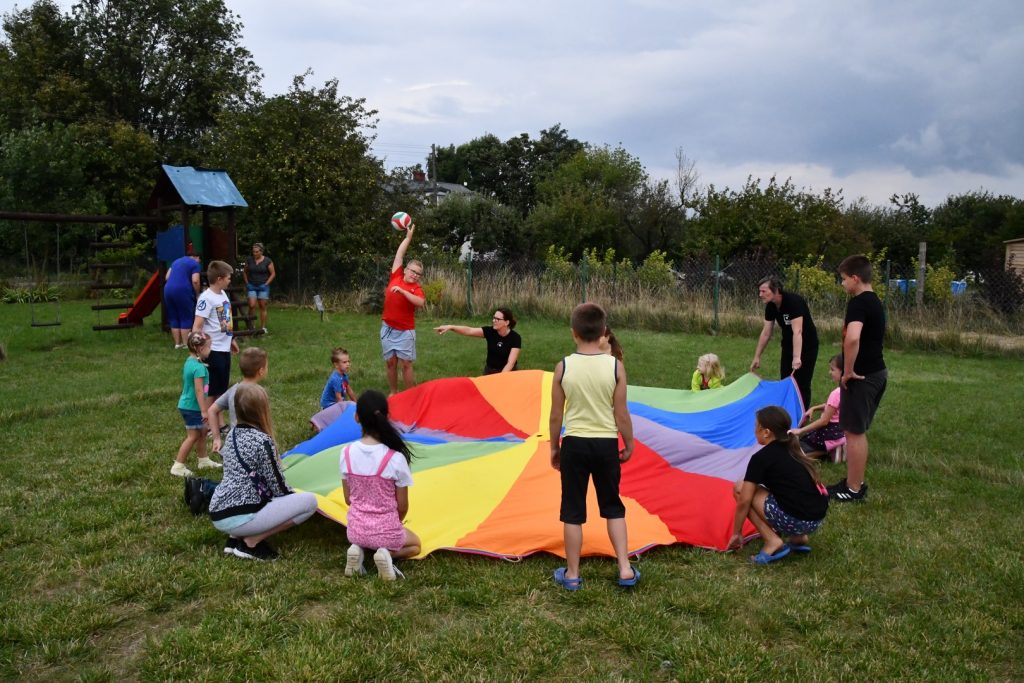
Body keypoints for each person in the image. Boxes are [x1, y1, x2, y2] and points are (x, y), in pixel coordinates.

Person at [549, 303, 638, 590]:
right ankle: (624, 568)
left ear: (573, 333)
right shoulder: (615, 367)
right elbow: (621, 413)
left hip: (574, 444)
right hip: (605, 444)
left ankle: (572, 573)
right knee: (613, 506)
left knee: (572, 510)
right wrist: (629, 442)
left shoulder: (563, 366)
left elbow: (555, 414)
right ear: (603, 332)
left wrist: (554, 447)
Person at [209, 383, 318, 561]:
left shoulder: (232, 434)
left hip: (218, 511)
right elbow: (278, 488)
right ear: (262, 410)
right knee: (310, 502)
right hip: (241, 516)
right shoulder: (262, 441)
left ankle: (234, 538)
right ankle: (251, 542)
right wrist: (295, 496)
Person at [728, 405, 829, 564]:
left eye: (756, 427)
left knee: (740, 489)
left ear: (766, 432)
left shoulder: (760, 458)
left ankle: (772, 541)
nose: (755, 431)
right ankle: (798, 538)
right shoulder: (794, 448)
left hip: (796, 519)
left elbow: (744, 500)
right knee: (786, 490)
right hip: (816, 519)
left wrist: (736, 532)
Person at [342, 390, 421, 580]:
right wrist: (394, 524)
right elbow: (402, 506)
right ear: (386, 417)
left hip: (355, 530)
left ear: (356, 417)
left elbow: (348, 498)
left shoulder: (346, 453)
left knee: (368, 538)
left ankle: (358, 549)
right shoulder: (394, 458)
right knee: (416, 544)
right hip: (386, 531)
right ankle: (387, 554)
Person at [828, 255, 887, 502]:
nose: (842, 284)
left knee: (854, 432)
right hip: (876, 373)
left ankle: (853, 489)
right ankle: (854, 482)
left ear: (855, 278)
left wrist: (848, 371)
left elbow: (853, 338)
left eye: (843, 279)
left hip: (862, 376)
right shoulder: (875, 302)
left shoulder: (859, 303)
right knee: (856, 430)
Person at [750, 275, 819, 410]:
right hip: (788, 345)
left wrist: (797, 357)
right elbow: (766, 332)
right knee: (786, 380)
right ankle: (787, 412)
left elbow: (797, 332)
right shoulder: (771, 306)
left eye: (764, 291)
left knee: (801, 383)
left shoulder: (794, 302)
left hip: (807, 347)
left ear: (776, 290)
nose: (760, 295)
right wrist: (757, 356)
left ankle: (801, 416)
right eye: (760, 291)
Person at [380, 225, 425, 395]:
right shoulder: (396, 276)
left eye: (418, 274)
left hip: (405, 332)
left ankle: (409, 395)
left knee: (406, 363)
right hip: (387, 329)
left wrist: (404, 291)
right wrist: (408, 238)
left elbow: (420, 302)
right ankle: (393, 392)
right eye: (413, 271)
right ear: (405, 269)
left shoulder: (417, 289)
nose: (414, 275)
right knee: (391, 362)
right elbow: (399, 255)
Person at [171, 331, 221, 477]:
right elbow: (199, 391)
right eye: (209, 347)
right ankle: (178, 466)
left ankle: (203, 460)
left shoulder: (190, 362)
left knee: (203, 432)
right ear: (200, 349)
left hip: (189, 406)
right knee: (193, 436)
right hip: (192, 407)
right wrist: (204, 411)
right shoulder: (199, 368)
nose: (210, 350)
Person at [192, 260, 238, 403]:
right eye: (228, 278)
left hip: (224, 348)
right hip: (213, 350)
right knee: (212, 389)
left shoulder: (223, 294)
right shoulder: (206, 298)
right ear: (219, 279)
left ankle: (219, 421)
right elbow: (197, 327)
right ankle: (210, 420)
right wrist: (198, 351)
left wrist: (232, 339)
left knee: (222, 388)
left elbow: (225, 320)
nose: (230, 280)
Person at [209, 347, 269, 454]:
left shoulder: (233, 390)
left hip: (234, 445)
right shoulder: (259, 393)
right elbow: (264, 423)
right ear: (261, 371)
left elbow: (211, 411)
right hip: (253, 447)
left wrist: (216, 439)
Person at [789, 354, 846, 461]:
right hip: (840, 432)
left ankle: (827, 451)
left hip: (828, 434)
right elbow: (832, 406)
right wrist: (814, 408)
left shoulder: (835, 393)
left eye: (832, 370)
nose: (830, 372)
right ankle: (834, 447)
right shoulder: (848, 390)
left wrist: (800, 430)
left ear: (842, 372)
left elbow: (824, 421)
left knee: (795, 452)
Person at [434, 308, 522, 374]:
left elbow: (510, 363)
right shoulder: (490, 331)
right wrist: (451, 327)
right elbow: (469, 331)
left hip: (508, 373)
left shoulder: (515, 338)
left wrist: (500, 379)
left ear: (506, 322)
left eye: (497, 319)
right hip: (490, 371)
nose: (493, 321)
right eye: (494, 318)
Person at [163, 250, 201, 349]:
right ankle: (185, 344)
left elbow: (167, 277)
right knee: (185, 316)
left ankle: (177, 344)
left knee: (174, 316)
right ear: (196, 257)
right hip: (183, 291)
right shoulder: (194, 264)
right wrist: (197, 294)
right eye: (199, 259)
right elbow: (195, 281)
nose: (199, 261)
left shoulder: (176, 261)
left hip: (168, 290)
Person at [243, 242, 275, 333]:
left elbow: (273, 274)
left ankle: (263, 327)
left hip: (263, 286)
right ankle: (251, 326)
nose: (254, 253)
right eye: (253, 252)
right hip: (252, 285)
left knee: (262, 306)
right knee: (252, 305)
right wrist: (247, 283)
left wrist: (266, 284)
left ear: (261, 252)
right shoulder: (249, 260)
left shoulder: (267, 261)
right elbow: (245, 272)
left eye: (256, 252)